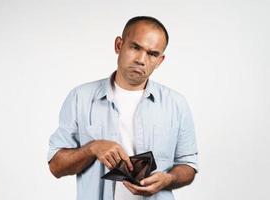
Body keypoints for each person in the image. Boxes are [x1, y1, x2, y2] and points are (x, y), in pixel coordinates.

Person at [47, 16, 198, 200]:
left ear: (160, 60)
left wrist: (169, 179)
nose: (141, 60)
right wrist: (92, 148)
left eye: (152, 54)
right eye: (135, 47)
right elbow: (56, 166)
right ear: (119, 45)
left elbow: (188, 165)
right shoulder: (81, 98)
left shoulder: (176, 104)